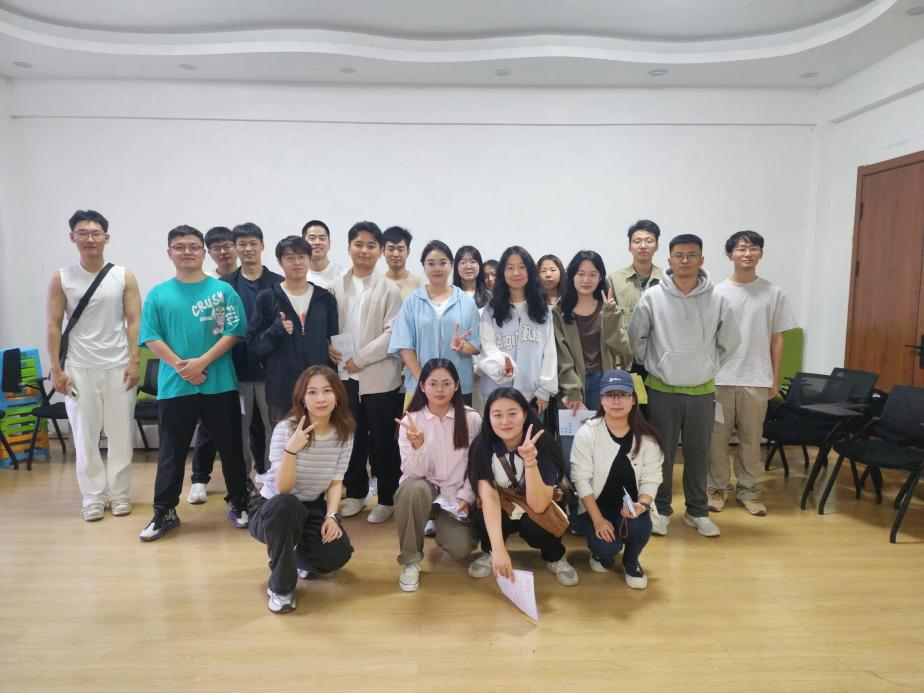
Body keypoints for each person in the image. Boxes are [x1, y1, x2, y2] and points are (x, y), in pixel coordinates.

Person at [138, 225, 251, 541]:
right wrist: (182, 367)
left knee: (231, 449)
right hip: (175, 387)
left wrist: (201, 363)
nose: (187, 252)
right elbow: (151, 336)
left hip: (220, 384)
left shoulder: (223, 292)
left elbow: (233, 332)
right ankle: (164, 512)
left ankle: (239, 502)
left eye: (193, 246)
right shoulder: (158, 294)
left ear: (203, 252)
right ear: (169, 252)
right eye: (179, 246)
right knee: (171, 453)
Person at [628, 234, 740, 538]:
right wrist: (657, 363)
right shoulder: (652, 297)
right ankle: (661, 509)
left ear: (701, 260)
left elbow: (731, 341)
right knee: (661, 455)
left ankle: (697, 511)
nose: (685, 260)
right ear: (669, 260)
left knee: (698, 453)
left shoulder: (718, 299)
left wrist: (709, 366)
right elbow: (637, 337)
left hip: (702, 390)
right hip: (662, 387)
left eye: (692, 255)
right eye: (679, 255)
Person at [46, 209, 141, 521]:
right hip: (78, 367)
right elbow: (53, 324)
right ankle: (93, 497)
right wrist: (56, 368)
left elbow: (134, 321)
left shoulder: (123, 276)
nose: (90, 239)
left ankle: (120, 494)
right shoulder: (62, 278)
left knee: (121, 434)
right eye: (83, 233)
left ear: (106, 238)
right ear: (72, 237)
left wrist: (134, 360)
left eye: (95, 233)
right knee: (85, 436)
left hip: (118, 366)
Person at [186, 223, 282, 504]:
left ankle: (274, 481)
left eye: (253, 243)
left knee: (275, 431)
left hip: (271, 372)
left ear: (262, 245)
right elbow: (218, 328)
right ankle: (242, 485)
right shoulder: (223, 286)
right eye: (242, 244)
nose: (248, 249)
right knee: (235, 433)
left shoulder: (278, 283)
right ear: (236, 247)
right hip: (234, 371)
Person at [250, 366, 355, 614]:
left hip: (311, 506)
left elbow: (335, 482)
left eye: (327, 391)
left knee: (337, 554)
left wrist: (332, 516)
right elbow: (283, 488)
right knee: (287, 504)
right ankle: (281, 588)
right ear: (302, 399)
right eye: (312, 392)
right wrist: (291, 450)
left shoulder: (344, 432)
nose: (321, 399)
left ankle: (294, 555)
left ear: (338, 396)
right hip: (273, 508)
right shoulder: (286, 429)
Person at [708, 230, 797, 517]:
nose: (747, 253)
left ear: (761, 253)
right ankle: (717, 488)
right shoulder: (716, 292)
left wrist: (774, 378)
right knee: (717, 439)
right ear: (730, 255)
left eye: (753, 248)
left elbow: (777, 338)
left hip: (757, 379)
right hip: (720, 379)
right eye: (741, 248)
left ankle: (748, 490)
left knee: (751, 439)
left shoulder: (773, 293)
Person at [328, 221, 404, 523]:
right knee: (351, 439)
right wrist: (327, 347)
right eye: (359, 244)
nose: (364, 250)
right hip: (344, 378)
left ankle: (387, 498)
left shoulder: (390, 290)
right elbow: (327, 327)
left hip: (380, 377)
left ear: (380, 251)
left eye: (371, 245)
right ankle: (357, 493)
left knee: (384, 442)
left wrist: (360, 359)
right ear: (348, 248)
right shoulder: (334, 287)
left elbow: (392, 333)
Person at [466, 387, 579, 586]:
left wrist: (530, 462)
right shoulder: (482, 446)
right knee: (480, 513)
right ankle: (490, 552)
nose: (505, 421)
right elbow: (489, 497)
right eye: (497, 415)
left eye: (512, 414)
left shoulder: (543, 444)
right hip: (503, 502)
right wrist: (499, 550)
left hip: (535, 503)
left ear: (525, 415)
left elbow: (539, 504)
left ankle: (554, 557)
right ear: (488, 418)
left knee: (538, 525)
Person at [570, 370, 663, 589]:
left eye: (623, 395)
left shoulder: (647, 437)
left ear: (633, 399)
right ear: (601, 399)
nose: (616, 401)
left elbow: (652, 477)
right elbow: (580, 479)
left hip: (630, 509)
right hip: (597, 508)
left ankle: (631, 561)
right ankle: (602, 554)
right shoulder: (588, 432)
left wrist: (643, 504)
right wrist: (598, 520)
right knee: (605, 547)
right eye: (610, 395)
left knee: (640, 527)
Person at [393, 359, 480, 592]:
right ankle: (410, 561)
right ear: (422, 386)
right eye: (433, 384)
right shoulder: (411, 420)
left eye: (446, 383)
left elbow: (477, 466)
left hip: (454, 495)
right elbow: (413, 473)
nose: (439, 390)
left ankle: (439, 523)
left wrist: (467, 496)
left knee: (460, 548)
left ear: (457, 386)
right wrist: (418, 446)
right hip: (424, 488)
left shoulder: (471, 419)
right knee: (412, 489)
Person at [248, 236, 339, 425]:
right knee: (285, 440)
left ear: (309, 259)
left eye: (302, 257)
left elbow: (334, 339)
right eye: (290, 258)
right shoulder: (267, 298)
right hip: (281, 389)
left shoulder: (325, 298)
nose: (297, 262)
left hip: (319, 388)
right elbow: (254, 346)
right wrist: (275, 330)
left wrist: (330, 347)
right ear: (279, 262)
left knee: (321, 437)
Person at [553, 250, 631, 463]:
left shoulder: (609, 308)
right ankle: (576, 483)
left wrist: (611, 315)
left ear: (600, 277)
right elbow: (560, 355)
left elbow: (623, 348)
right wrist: (572, 390)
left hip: (604, 383)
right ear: (571, 276)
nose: (586, 280)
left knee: (605, 442)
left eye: (592, 274)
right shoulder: (560, 312)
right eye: (580, 273)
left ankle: (602, 483)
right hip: (572, 384)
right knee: (572, 443)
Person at [390, 240, 481, 404]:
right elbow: (404, 345)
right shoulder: (412, 301)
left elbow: (476, 344)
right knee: (418, 422)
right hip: (419, 386)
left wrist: (463, 346)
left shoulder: (466, 302)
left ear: (451, 265)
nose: (437, 268)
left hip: (458, 386)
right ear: (424, 266)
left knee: (459, 422)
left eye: (443, 263)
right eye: (431, 263)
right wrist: (423, 381)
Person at [479, 246, 557, 414]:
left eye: (522, 267)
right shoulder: (491, 309)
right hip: (497, 393)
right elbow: (487, 346)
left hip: (533, 396)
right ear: (502, 273)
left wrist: (545, 390)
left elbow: (550, 351)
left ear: (530, 271)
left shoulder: (542, 309)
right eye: (510, 268)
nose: (516, 273)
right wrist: (501, 368)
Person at [606, 220, 664, 376]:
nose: (643, 246)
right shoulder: (614, 279)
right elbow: (610, 324)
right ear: (629, 246)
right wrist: (615, 361)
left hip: (659, 360)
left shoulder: (667, 280)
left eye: (649, 241)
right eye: (637, 241)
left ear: (657, 246)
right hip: (626, 360)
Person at [383, 225, 425, 300]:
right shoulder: (376, 284)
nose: (395, 254)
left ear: (408, 252)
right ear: (383, 251)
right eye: (391, 249)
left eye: (400, 249)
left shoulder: (421, 285)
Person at [303, 219, 345, 289]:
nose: (317, 242)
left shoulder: (344, 275)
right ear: (303, 244)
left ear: (329, 244)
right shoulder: (297, 277)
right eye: (312, 238)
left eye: (322, 238)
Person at [453, 245, 490, 311]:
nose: (468, 266)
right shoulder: (449, 295)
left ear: (479, 266)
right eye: (463, 262)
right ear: (456, 267)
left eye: (473, 262)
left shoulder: (490, 297)